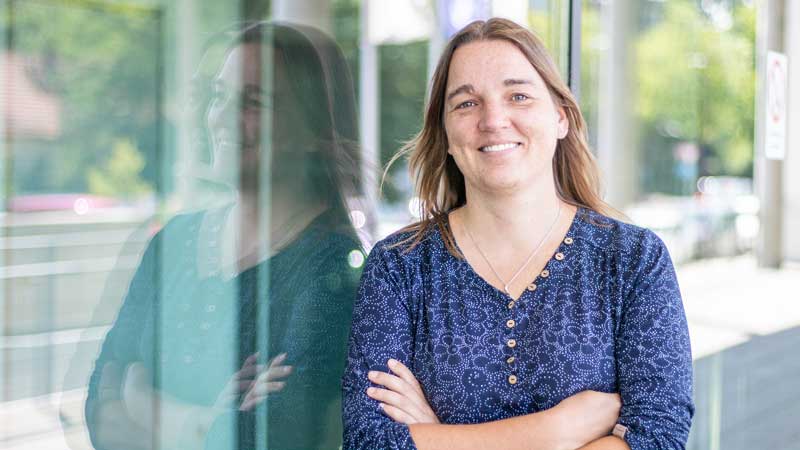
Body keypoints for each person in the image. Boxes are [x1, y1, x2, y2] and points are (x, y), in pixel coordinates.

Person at [342, 17, 693, 450]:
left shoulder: (633, 260)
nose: (494, 119)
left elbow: (658, 438)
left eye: (519, 96)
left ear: (561, 117)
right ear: (446, 134)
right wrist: (558, 430)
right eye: (467, 103)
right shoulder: (400, 266)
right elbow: (370, 442)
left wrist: (436, 438)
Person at [83, 21, 364, 450]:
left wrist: (138, 397)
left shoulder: (333, 268)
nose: (224, 118)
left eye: (253, 102)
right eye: (219, 96)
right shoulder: (174, 240)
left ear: (313, 132)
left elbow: (268, 439)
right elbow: (98, 411)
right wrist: (207, 421)